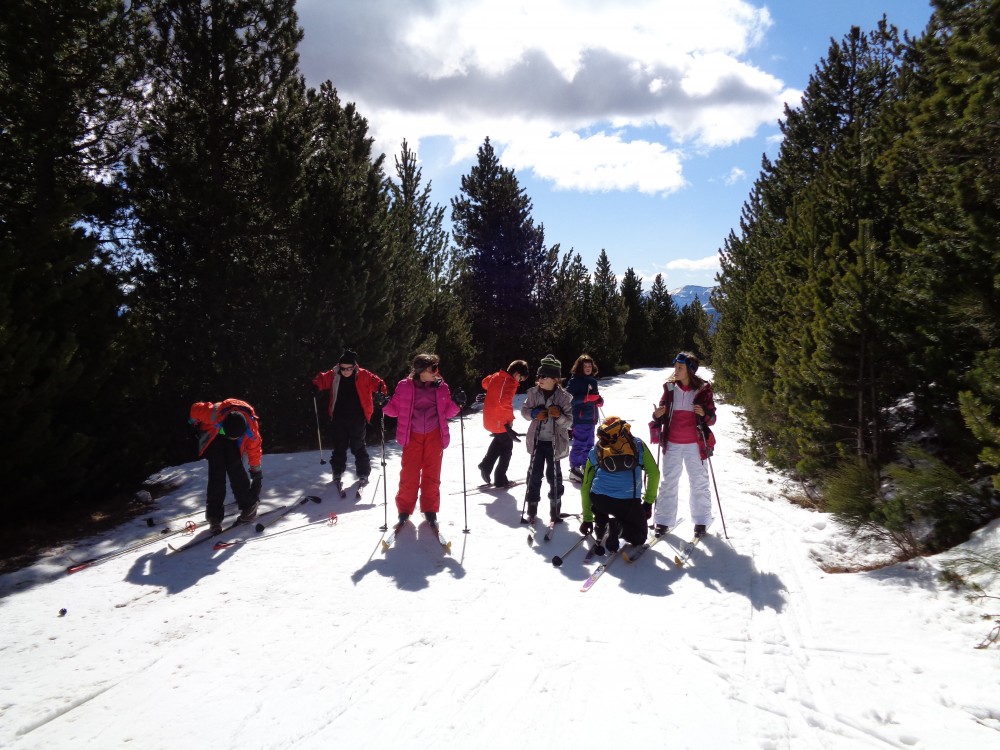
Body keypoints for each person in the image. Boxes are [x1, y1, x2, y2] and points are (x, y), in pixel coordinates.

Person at [382, 353, 465, 526]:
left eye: (436, 367)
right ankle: (404, 510)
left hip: (434, 435)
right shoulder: (404, 386)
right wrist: (383, 404)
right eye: (432, 368)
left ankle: (430, 509)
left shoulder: (442, 387)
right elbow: (394, 410)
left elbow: (448, 412)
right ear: (421, 370)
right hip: (412, 435)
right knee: (409, 474)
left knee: (432, 474)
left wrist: (457, 404)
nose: (436, 371)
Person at [650, 351, 717, 538]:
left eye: (680, 367)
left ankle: (701, 521)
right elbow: (660, 413)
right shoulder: (670, 388)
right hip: (672, 443)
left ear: (690, 370)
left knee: (699, 482)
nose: (676, 370)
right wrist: (657, 415)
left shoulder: (703, 390)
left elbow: (712, 419)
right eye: (676, 367)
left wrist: (704, 414)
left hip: (696, 445)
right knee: (669, 482)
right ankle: (663, 521)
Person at [578, 416, 660, 552]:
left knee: (600, 505)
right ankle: (619, 528)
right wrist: (648, 502)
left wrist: (587, 519)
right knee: (639, 536)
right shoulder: (638, 445)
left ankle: (602, 524)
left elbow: (586, 486)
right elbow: (654, 474)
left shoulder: (596, 450)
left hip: (600, 500)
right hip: (627, 502)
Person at [311, 349, 387, 489]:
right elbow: (321, 379)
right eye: (343, 368)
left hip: (357, 416)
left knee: (358, 445)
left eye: (349, 368)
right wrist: (315, 386)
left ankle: (363, 472)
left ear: (354, 366)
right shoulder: (334, 374)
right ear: (339, 366)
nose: (345, 371)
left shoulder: (364, 375)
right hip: (338, 415)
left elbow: (379, 384)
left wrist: (380, 393)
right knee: (339, 445)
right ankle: (337, 470)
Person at [189, 399, 263, 533]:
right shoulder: (213, 413)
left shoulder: (251, 428)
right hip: (214, 435)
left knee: (236, 470)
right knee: (216, 473)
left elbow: (254, 450)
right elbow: (194, 409)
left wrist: (257, 474)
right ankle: (214, 516)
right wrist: (193, 423)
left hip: (231, 438)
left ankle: (249, 506)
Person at [520, 354, 573, 522]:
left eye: (544, 376)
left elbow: (569, 423)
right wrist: (533, 414)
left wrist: (559, 416)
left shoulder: (564, 397)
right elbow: (524, 411)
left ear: (555, 379)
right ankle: (532, 508)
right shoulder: (533, 393)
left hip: (555, 443)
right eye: (539, 376)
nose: (540, 379)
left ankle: (555, 509)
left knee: (554, 476)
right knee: (534, 475)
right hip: (536, 441)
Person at [477, 359, 529, 487]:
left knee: (500, 441)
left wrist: (493, 389)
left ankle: (486, 465)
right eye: (520, 379)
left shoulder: (497, 376)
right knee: (507, 447)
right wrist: (509, 421)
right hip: (500, 420)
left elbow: (485, 383)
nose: (519, 382)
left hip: (490, 418)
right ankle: (500, 478)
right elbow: (504, 402)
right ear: (517, 374)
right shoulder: (510, 383)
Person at [565, 353, 604, 481]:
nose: (588, 368)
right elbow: (567, 399)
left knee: (589, 445)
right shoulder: (575, 380)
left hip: (591, 418)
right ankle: (574, 469)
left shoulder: (592, 380)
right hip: (580, 418)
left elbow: (594, 396)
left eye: (589, 366)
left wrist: (598, 400)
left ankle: (585, 466)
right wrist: (586, 398)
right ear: (579, 367)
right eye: (585, 366)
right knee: (580, 444)